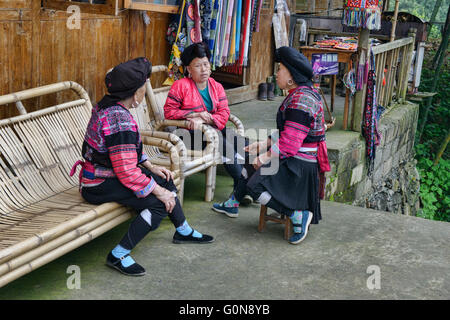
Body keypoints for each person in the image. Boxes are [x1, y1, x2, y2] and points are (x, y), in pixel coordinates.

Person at [72, 57, 213, 277]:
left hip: (109, 174)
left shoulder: (109, 105)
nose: (144, 92)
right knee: (158, 202)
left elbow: (129, 152)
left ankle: (183, 231)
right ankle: (118, 254)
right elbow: (127, 172)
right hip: (97, 183)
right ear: (136, 92)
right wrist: (159, 192)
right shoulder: (120, 120)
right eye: (143, 87)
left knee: (164, 179)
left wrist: (151, 167)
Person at [212, 47, 330, 244]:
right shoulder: (302, 93)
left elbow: (290, 143)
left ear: (292, 76)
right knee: (249, 163)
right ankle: (233, 203)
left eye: (280, 69)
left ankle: (296, 214)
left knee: (255, 186)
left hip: (298, 167)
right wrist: (263, 144)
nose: (276, 74)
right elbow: (289, 133)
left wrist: (265, 156)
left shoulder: (302, 100)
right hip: (296, 159)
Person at [164, 42, 252, 205]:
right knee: (221, 140)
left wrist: (207, 118)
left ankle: (242, 187)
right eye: (198, 65)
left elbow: (224, 113)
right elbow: (169, 112)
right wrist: (194, 114)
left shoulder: (216, 86)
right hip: (187, 137)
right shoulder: (180, 86)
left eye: (206, 64)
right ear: (189, 69)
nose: (204, 69)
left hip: (211, 131)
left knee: (241, 142)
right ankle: (243, 188)